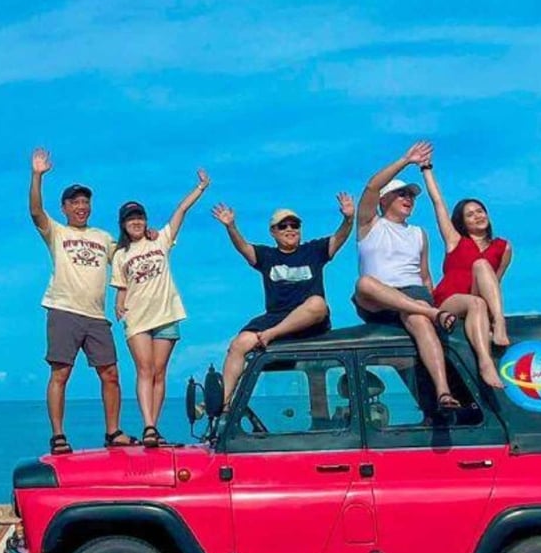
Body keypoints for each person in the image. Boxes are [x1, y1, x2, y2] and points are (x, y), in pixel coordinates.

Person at [29, 148, 137, 455]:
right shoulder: (57, 232)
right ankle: (58, 435)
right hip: (63, 309)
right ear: (64, 208)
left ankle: (113, 431)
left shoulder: (103, 237)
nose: (81, 206)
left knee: (111, 373)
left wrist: (146, 233)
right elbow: (36, 211)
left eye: (85, 202)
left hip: (95, 315)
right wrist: (37, 176)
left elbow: (127, 255)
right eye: (75, 202)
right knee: (61, 373)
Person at [214, 190, 355, 405]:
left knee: (317, 303)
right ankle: (223, 404)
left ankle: (271, 334)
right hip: (277, 317)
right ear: (273, 232)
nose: (290, 229)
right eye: (283, 226)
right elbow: (243, 247)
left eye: (294, 225)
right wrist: (231, 226)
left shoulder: (314, 250)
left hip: (308, 323)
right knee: (238, 344)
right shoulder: (267, 256)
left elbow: (340, 237)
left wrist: (348, 218)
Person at [352, 141, 462, 410]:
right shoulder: (370, 223)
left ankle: (443, 393)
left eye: (411, 196)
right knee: (364, 284)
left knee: (420, 320)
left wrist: (430, 302)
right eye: (402, 194)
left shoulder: (418, 233)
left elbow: (424, 276)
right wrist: (406, 160)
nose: (408, 199)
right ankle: (431, 313)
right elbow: (371, 187)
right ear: (384, 200)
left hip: (413, 296)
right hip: (378, 298)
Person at [110, 169, 210, 447]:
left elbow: (181, 211)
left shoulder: (161, 240)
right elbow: (121, 286)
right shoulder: (121, 254)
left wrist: (200, 188)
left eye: (139, 217)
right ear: (123, 224)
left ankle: (154, 426)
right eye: (131, 219)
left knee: (159, 371)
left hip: (165, 314)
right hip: (138, 318)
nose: (136, 222)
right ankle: (149, 426)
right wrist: (119, 303)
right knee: (144, 369)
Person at [423, 155, 511, 387]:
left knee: (482, 272)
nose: (478, 216)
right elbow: (438, 203)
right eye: (470, 214)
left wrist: (494, 316)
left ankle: (498, 323)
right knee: (478, 282)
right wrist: (426, 169)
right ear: (462, 222)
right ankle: (485, 362)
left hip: (479, 299)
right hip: (450, 300)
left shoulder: (503, 247)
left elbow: (494, 282)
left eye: (480, 211)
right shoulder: (455, 240)